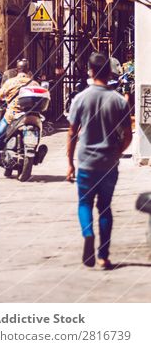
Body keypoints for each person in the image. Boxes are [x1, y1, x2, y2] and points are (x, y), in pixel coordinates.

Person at [67, 52, 133, 270]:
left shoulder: (80, 98)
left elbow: (72, 132)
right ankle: (104, 256)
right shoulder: (118, 100)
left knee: (84, 203)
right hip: (109, 163)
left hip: (86, 162)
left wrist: (70, 163)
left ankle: (88, 234)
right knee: (105, 208)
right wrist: (117, 152)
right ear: (109, 73)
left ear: (91, 71)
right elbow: (128, 135)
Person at [0, 58, 37, 176]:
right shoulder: (34, 83)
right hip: (30, 116)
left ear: (17, 70)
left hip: (12, 116)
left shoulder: (10, 82)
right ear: (28, 70)